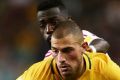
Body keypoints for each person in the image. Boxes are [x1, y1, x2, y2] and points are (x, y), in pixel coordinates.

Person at [16, 21, 120, 80]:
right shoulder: (38, 74)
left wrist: (92, 50)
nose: (61, 59)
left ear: (84, 47)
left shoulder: (104, 70)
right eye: (55, 51)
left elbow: (103, 44)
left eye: (67, 50)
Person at [37, 0, 110, 55]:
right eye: (42, 25)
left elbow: (103, 44)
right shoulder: (49, 57)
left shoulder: (81, 38)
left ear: (69, 21)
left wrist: (88, 52)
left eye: (54, 22)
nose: (48, 30)